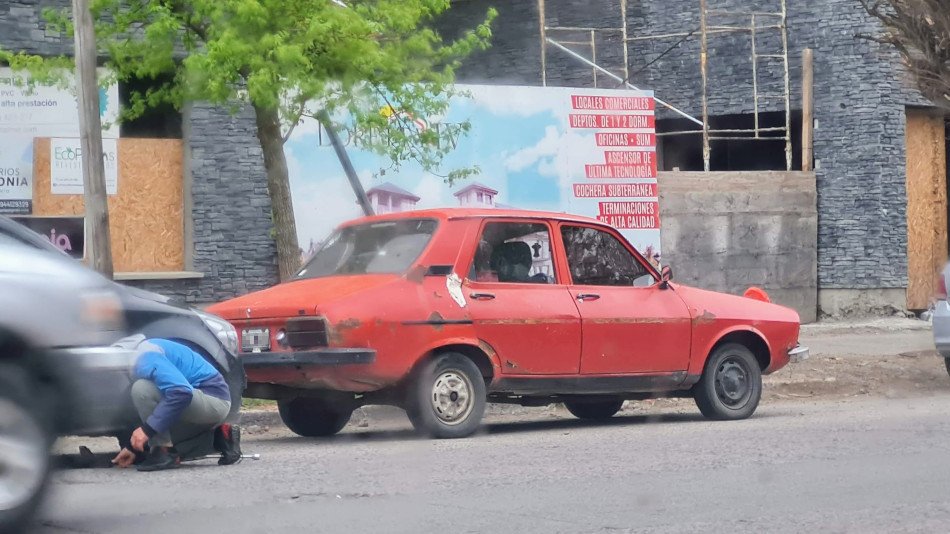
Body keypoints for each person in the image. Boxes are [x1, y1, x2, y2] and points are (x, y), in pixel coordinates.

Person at [111, 336, 237, 472]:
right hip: (203, 400)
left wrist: (147, 431)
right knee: (152, 447)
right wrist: (133, 447)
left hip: (212, 398)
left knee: (141, 389)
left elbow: (181, 392)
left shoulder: (144, 356)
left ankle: (163, 450)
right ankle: (221, 438)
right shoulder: (143, 353)